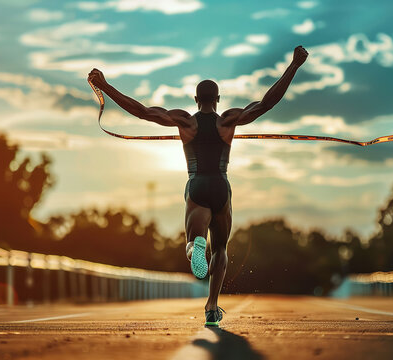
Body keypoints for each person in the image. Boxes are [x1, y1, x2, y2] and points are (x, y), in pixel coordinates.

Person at [88, 45, 308, 326]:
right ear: (218, 99)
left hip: (197, 185)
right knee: (221, 250)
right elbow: (266, 103)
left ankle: (195, 247)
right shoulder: (229, 119)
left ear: (195, 99)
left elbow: (141, 111)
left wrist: (105, 85)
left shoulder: (183, 120)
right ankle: (212, 306)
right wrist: (294, 66)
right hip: (221, 186)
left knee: (192, 240)